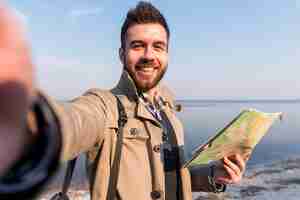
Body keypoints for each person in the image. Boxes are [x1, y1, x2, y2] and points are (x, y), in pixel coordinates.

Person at [0, 1, 246, 200]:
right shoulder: (105, 106)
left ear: (167, 54)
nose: (149, 55)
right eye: (138, 46)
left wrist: (215, 174)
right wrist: (27, 127)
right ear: (122, 54)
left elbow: (172, 176)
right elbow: (76, 120)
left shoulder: (168, 111)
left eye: (158, 46)